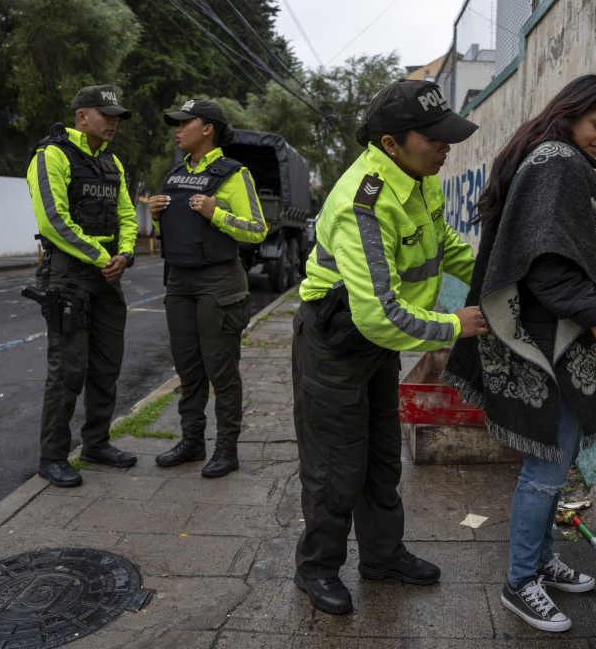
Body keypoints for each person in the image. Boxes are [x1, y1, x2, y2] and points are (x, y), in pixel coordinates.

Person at [443, 75, 596, 632]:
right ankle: (520, 581)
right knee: (546, 468)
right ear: (570, 112)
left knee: (553, 460)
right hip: (554, 343)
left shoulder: (546, 156)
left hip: (554, 336)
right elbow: (544, 261)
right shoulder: (556, 162)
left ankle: (541, 561)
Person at [290, 79, 489, 616]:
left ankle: (381, 556)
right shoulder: (364, 202)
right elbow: (380, 313)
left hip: (375, 345)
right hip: (334, 344)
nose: (447, 147)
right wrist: (453, 325)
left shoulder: (420, 177)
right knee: (336, 468)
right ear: (390, 144)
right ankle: (316, 569)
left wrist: (493, 282)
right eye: (435, 138)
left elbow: (443, 246)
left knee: (381, 459)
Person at [147, 99, 267, 479]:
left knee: (222, 370)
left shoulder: (234, 174)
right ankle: (192, 441)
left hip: (219, 281)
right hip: (179, 279)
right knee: (188, 368)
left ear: (208, 129)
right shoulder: (175, 174)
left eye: (185, 123)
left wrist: (216, 212)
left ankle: (226, 450)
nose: (177, 130)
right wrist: (155, 214)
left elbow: (257, 229)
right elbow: (175, 229)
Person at [26, 84, 139, 488]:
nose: (113, 123)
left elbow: (127, 214)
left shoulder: (112, 163)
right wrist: (102, 257)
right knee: (68, 370)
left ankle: (97, 443)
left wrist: (124, 255)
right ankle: (52, 456)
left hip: (108, 277)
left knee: (107, 367)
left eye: (117, 117)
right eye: (106, 115)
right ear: (81, 116)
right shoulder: (51, 155)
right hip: (69, 277)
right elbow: (53, 222)